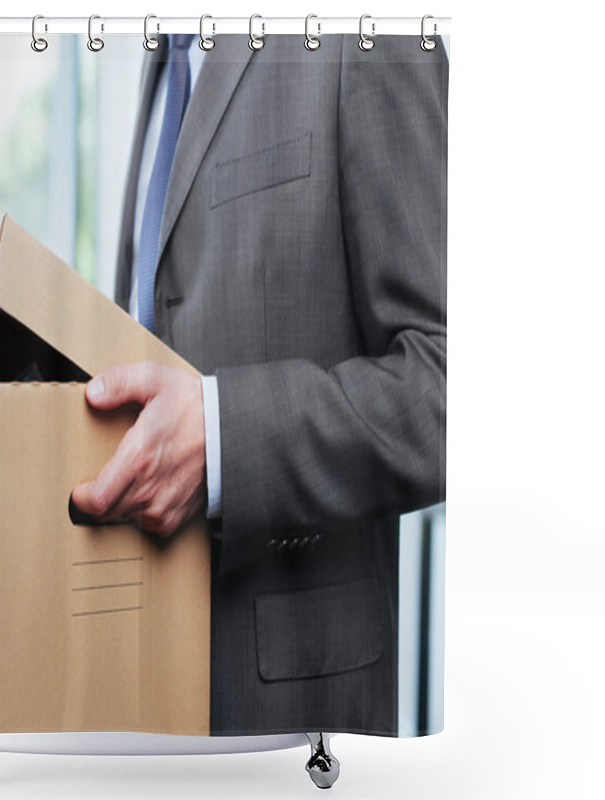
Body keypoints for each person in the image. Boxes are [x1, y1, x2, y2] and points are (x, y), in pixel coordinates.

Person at [72, 33, 448, 736]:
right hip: (138, 698)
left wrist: (223, 439)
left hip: (295, 712)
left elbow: (448, 390)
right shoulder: (161, 61)